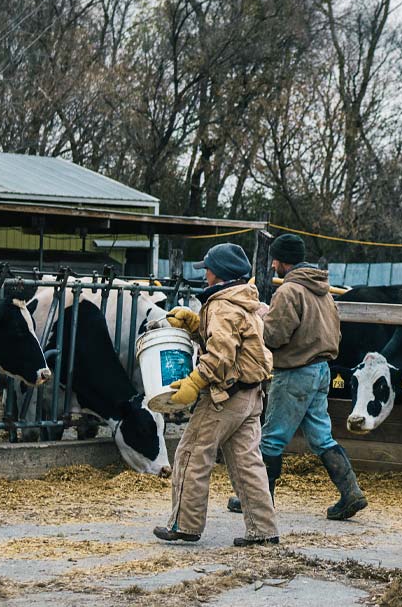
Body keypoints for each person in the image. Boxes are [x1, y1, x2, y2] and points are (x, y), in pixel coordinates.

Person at [228, 233, 366, 520]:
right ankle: (351, 492)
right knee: (321, 437)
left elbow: (275, 336)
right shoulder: (323, 290)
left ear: (283, 260)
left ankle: (258, 500)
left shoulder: (289, 291)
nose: (273, 265)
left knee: (272, 438)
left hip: (294, 373)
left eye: (275, 260)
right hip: (321, 370)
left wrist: (261, 318)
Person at [152, 242, 279, 546]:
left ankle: (185, 524)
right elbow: (230, 340)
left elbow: (221, 355)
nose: (204, 274)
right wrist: (196, 325)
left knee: (191, 453)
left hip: (225, 396)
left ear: (219, 273)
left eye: (207, 269)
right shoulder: (243, 301)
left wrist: (194, 382)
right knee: (248, 464)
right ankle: (264, 530)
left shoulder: (221, 306)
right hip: (251, 396)